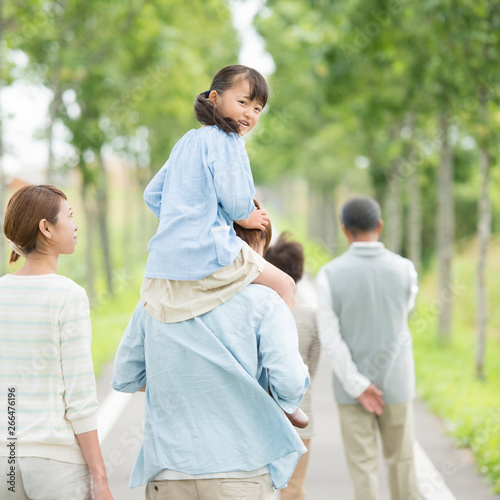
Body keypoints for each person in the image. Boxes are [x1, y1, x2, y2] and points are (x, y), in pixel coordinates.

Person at [112, 209, 310, 500]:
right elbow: (291, 381)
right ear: (255, 246)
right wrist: (278, 399)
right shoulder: (265, 302)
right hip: (241, 466)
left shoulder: (154, 302)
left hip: (169, 470)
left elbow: (126, 375)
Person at [140, 64, 295, 326]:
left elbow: (152, 194)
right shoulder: (228, 138)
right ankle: (278, 363)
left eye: (257, 108)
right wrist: (246, 217)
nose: (250, 113)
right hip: (210, 252)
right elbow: (235, 200)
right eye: (243, 102)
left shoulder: (187, 140)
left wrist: (182, 219)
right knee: (286, 285)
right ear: (215, 98)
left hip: (164, 260)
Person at [0, 185, 113, 500]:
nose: (75, 227)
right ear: (46, 228)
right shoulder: (67, 295)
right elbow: (79, 394)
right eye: (70, 217)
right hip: (55, 462)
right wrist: (100, 477)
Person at [316, 196, 419, 500]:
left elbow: (331, 339)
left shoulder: (330, 275)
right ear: (380, 226)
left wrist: (358, 385)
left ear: (345, 230)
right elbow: (405, 310)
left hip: (351, 390)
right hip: (397, 383)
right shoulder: (406, 269)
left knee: (363, 469)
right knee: (403, 464)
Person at [265, 233, 320, 500]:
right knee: (294, 489)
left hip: (261, 416)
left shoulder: (258, 313)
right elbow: (312, 369)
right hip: (302, 417)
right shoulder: (311, 317)